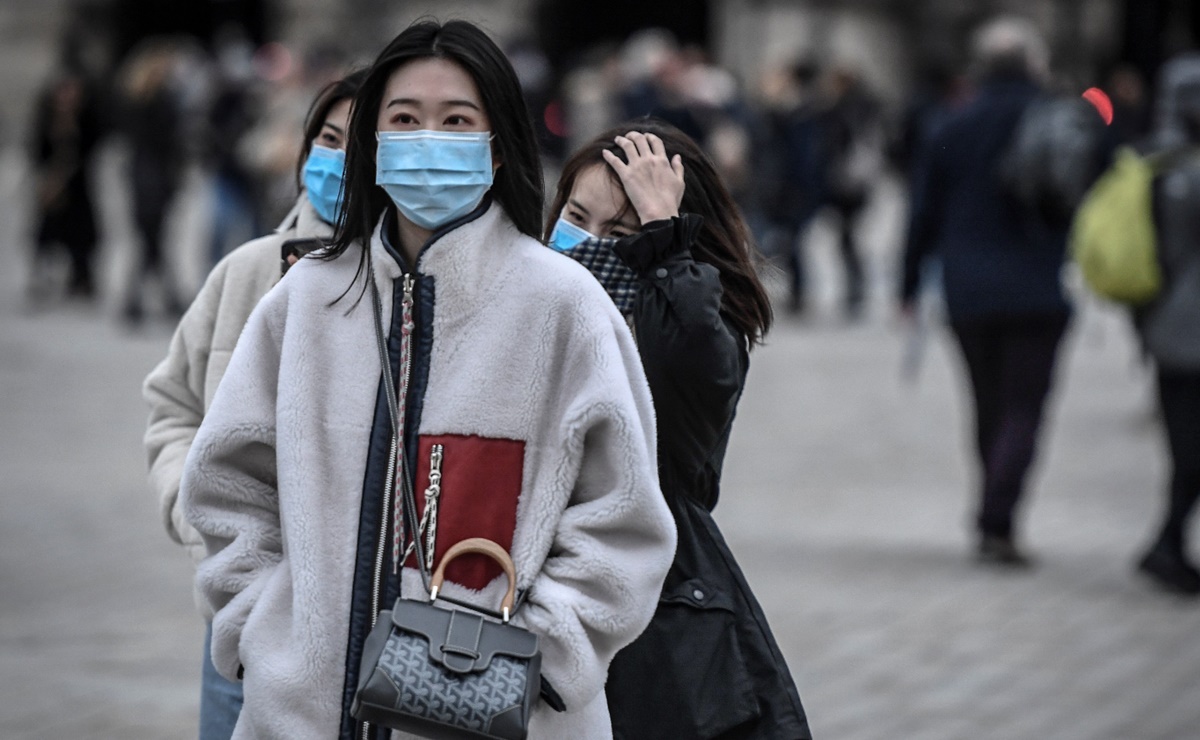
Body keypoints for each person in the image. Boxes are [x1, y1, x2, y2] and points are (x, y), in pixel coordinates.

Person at [179, 19, 675, 740]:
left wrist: (549, 662)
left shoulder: (563, 306)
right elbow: (229, 486)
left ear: (498, 144)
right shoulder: (304, 299)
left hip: (501, 720)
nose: (427, 140)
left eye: (456, 120)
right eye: (404, 119)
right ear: (373, 142)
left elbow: (623, 518)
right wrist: (261, 632)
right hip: (301, 719)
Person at [545, 119, 811, 739]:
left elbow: (700, 357)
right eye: (576, 218)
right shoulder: (528, 306)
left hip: (652, 619)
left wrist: (664, 237)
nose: (587, 242)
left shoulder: (685, 328)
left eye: (621, 233)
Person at [142, 69, 365, 739]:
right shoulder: (248, 270)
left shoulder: (416, 288)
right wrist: (198, 515)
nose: (335, 160)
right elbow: (173, 403)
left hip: (371, 617)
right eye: (327, 138)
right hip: (243, 609)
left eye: (360, 146)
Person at [900, 17, 1070, 566]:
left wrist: (907, 284)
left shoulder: (955, 120)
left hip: (967, 287)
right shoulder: (1055, 117)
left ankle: (992, 510)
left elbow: (922, 210)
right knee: (1026, 407)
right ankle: (999, 516)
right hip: (1039, 283)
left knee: (988, 404)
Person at [1134, 53, 1200, 595]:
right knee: (1189, 448)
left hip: (1166, 328)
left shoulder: (1153, 162)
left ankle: (1168, 540)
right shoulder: (1177, 171)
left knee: (1186, 446)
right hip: (1185, 332)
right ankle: (1167, 543)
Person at [116, 38, 188, 325]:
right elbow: (170, 142)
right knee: (152, 240)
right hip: (154, 179)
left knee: (150, 240)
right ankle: (152, 299)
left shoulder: (134, 98)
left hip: (141, 176)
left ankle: (142, 300)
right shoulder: (160, 99)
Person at [27, 59, 106, 305]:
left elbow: (93, 145)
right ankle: (43, 276)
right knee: (47, 230)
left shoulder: (86, 117)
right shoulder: (47, 118)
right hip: (54, 184)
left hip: (78, 185)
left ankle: (81, 277)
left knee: (82, 232)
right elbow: (38, 150)